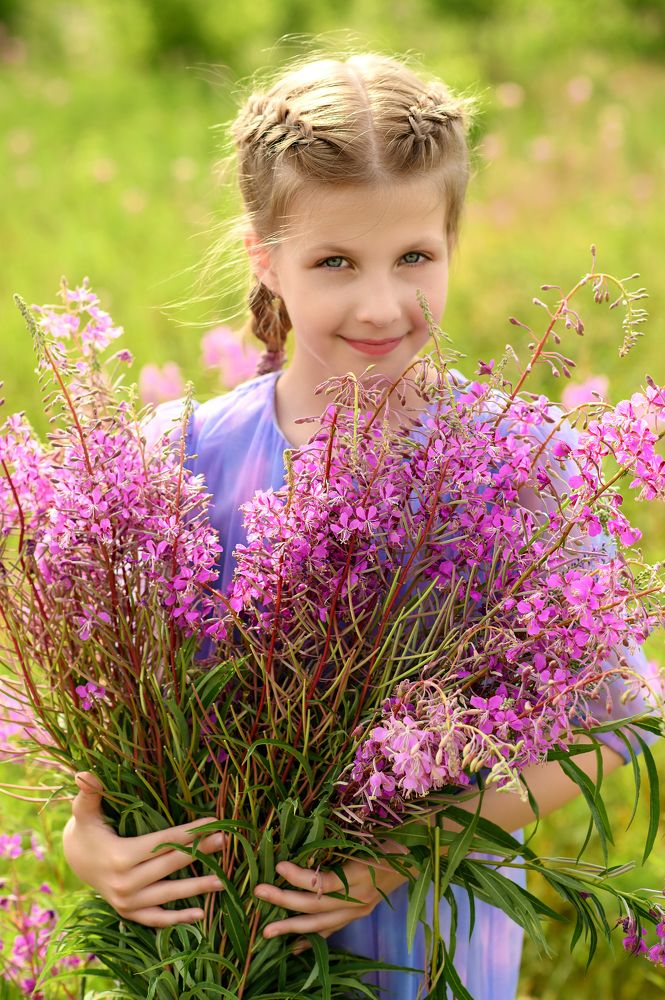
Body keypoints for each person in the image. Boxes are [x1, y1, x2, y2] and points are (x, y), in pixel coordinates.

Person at [63, 51, 659, 999]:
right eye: (334, 262)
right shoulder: (175, 460)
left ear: (453, 243)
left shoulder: (523, 462)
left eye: (414, 257)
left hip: (424, 944)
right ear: (266, 259)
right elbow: (107, 716)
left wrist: (402, 849)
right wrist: (86, 840)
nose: (382, 305)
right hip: (214, 954)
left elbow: (620, 718)